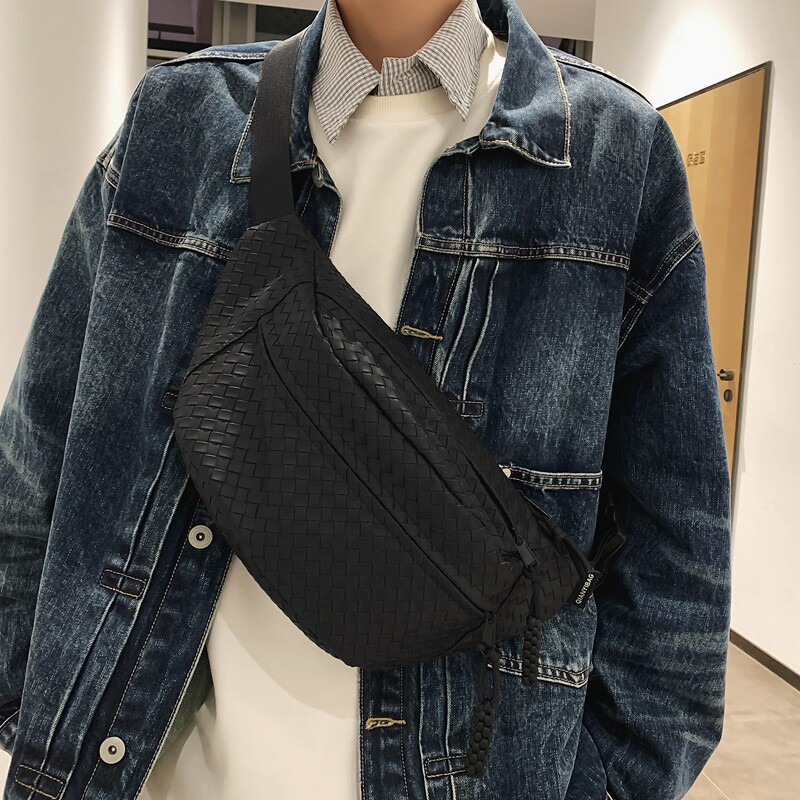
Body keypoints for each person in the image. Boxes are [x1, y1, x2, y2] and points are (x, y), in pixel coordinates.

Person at [0, 0, 731, 797]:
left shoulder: (610, 152)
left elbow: (675, 576)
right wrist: (40, 723)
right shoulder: (179, 123)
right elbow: (37, 461)